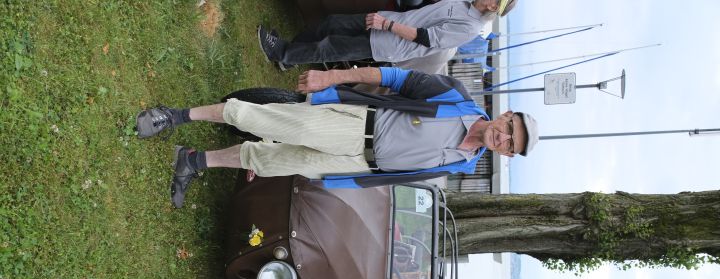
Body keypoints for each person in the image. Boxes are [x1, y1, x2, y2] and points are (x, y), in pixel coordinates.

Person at [135, 66, 538, 207]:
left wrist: (351, 183)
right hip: (356, 126)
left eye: (510, 145)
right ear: (504, 115)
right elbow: (394, 76)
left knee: (272, 162)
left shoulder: (464, 164)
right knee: (266, 121)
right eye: (508, 130)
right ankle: (175, 116)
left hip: (355, 164)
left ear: (506, 155)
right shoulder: (455, 99)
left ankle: (193, 160)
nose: (503, 139)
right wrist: (332, 77)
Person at [257, 0, 518, 69]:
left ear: (493, 7)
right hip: (386, 21)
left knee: (329, 46)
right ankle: (290, 55)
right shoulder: (464, 3)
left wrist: (388, 25)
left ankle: (281, 53)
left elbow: (426, 37)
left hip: (388, 40)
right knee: (330, 23)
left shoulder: (469, 27)